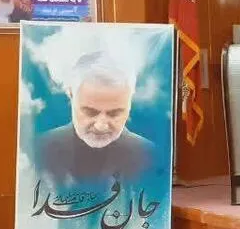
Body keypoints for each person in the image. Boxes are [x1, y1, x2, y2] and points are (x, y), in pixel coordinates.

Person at [35, 50, 154, 185]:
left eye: (114, 113)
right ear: (70, 94)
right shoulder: (36, 152)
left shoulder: (150, 157)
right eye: (90, 112)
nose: (100, 126)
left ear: (130, 102)